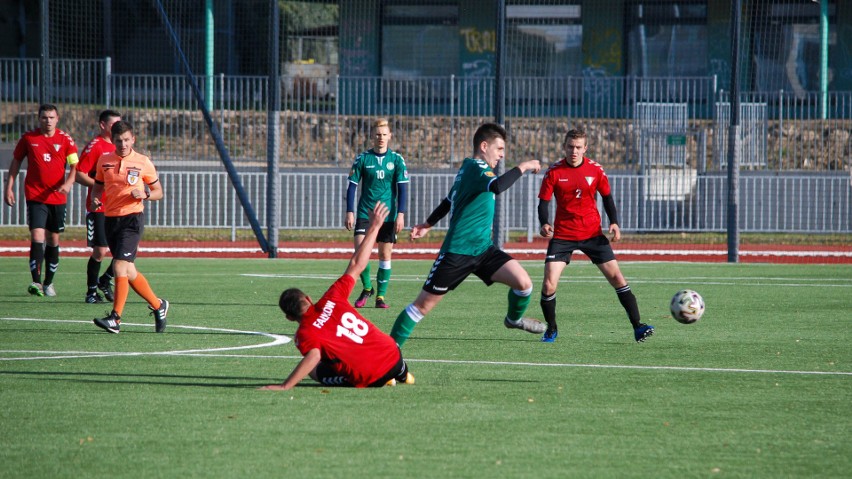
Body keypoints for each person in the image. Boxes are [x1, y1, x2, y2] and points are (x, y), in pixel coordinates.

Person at [389, 122, 546, 347]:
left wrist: (427, 223)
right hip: (457, 252)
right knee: (421, 307)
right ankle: (387, 354)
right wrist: (523, 165)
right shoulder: (476, 168)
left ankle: (513, 320)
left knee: (524, 284)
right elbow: (498, 187)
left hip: (483, 250)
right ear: (484, 146)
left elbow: (449, 200)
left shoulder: (468, 169)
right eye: (499, 149)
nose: (502, 155)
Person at [261, 202, 415, 390]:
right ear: (308, 298)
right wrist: (374, 227)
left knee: (314, 370)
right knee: (382, 351)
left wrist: (285, 386)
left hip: (371, 377)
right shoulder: (332, 297)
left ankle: (385, 377)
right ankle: (402, 373)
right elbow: (357, 264)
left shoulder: (305, 333)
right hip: (393, 354)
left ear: (289, 317)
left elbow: (314, 357)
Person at [536, 128, 654, 343]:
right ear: (564, 147)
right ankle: (551, 329)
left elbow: (608, 198)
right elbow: (543, 203)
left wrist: (615, 223)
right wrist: (544, 223)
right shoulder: (553, 172)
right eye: (570, 147)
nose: (574, 151)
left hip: (592, 234)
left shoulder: (596, 170)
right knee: (548, 285)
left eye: (578, 147)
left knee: (618, 279)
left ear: (585, 148)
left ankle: (638, 327)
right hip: (563, 235)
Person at [90, 120, 169, 334]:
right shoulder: (104, 160)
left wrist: (145, 194)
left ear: (133, 139)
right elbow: (97, 188)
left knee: (119, 266)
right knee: (129, 270)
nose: (123, 144)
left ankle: (115, 318)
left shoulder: (143, 161)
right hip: (110, 220)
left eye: (126, 140)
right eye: (118, 140)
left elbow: (159, 192)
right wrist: (96, 200)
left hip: (132, 219)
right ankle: (158, 305)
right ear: (112, 140)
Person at [4, 104, 79, 297]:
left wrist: (69, 183)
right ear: (39, 119)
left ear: (57, 118)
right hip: (35, 196)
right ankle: (36, 282)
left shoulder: (65, 140)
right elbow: (16, 162)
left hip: (57, 197)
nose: (48, 121)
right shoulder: (29, 138)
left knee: (53, 239)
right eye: (44, 118)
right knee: (37, 236)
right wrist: (9, 187)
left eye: (51, 117)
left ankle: (48, 283)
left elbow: (74, 167)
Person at [345, 118, 409, 309]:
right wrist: (350, 211)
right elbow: (352, 187)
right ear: (372, 137)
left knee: (384, 254)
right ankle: (367, 287)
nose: (380, 138)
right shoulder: (363, 159)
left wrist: (401, 214)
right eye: (377, 135)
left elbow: (403, 189)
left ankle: (380, 296)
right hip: (365, 213)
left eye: (384, 134)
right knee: (360, 251)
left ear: (390, 136)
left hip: (388, 215)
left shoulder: (397, 160)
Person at [75, 110, 121, 304]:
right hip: (99, 206)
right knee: (100, 251)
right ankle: (91, 292)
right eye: (114, 125)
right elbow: (79, 173)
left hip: (119, 206)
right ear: (103, 125)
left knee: (126, 250)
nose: (118, 128)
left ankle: (106, 280)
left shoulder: (121, 147)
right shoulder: (96, 146)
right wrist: (99, 186)